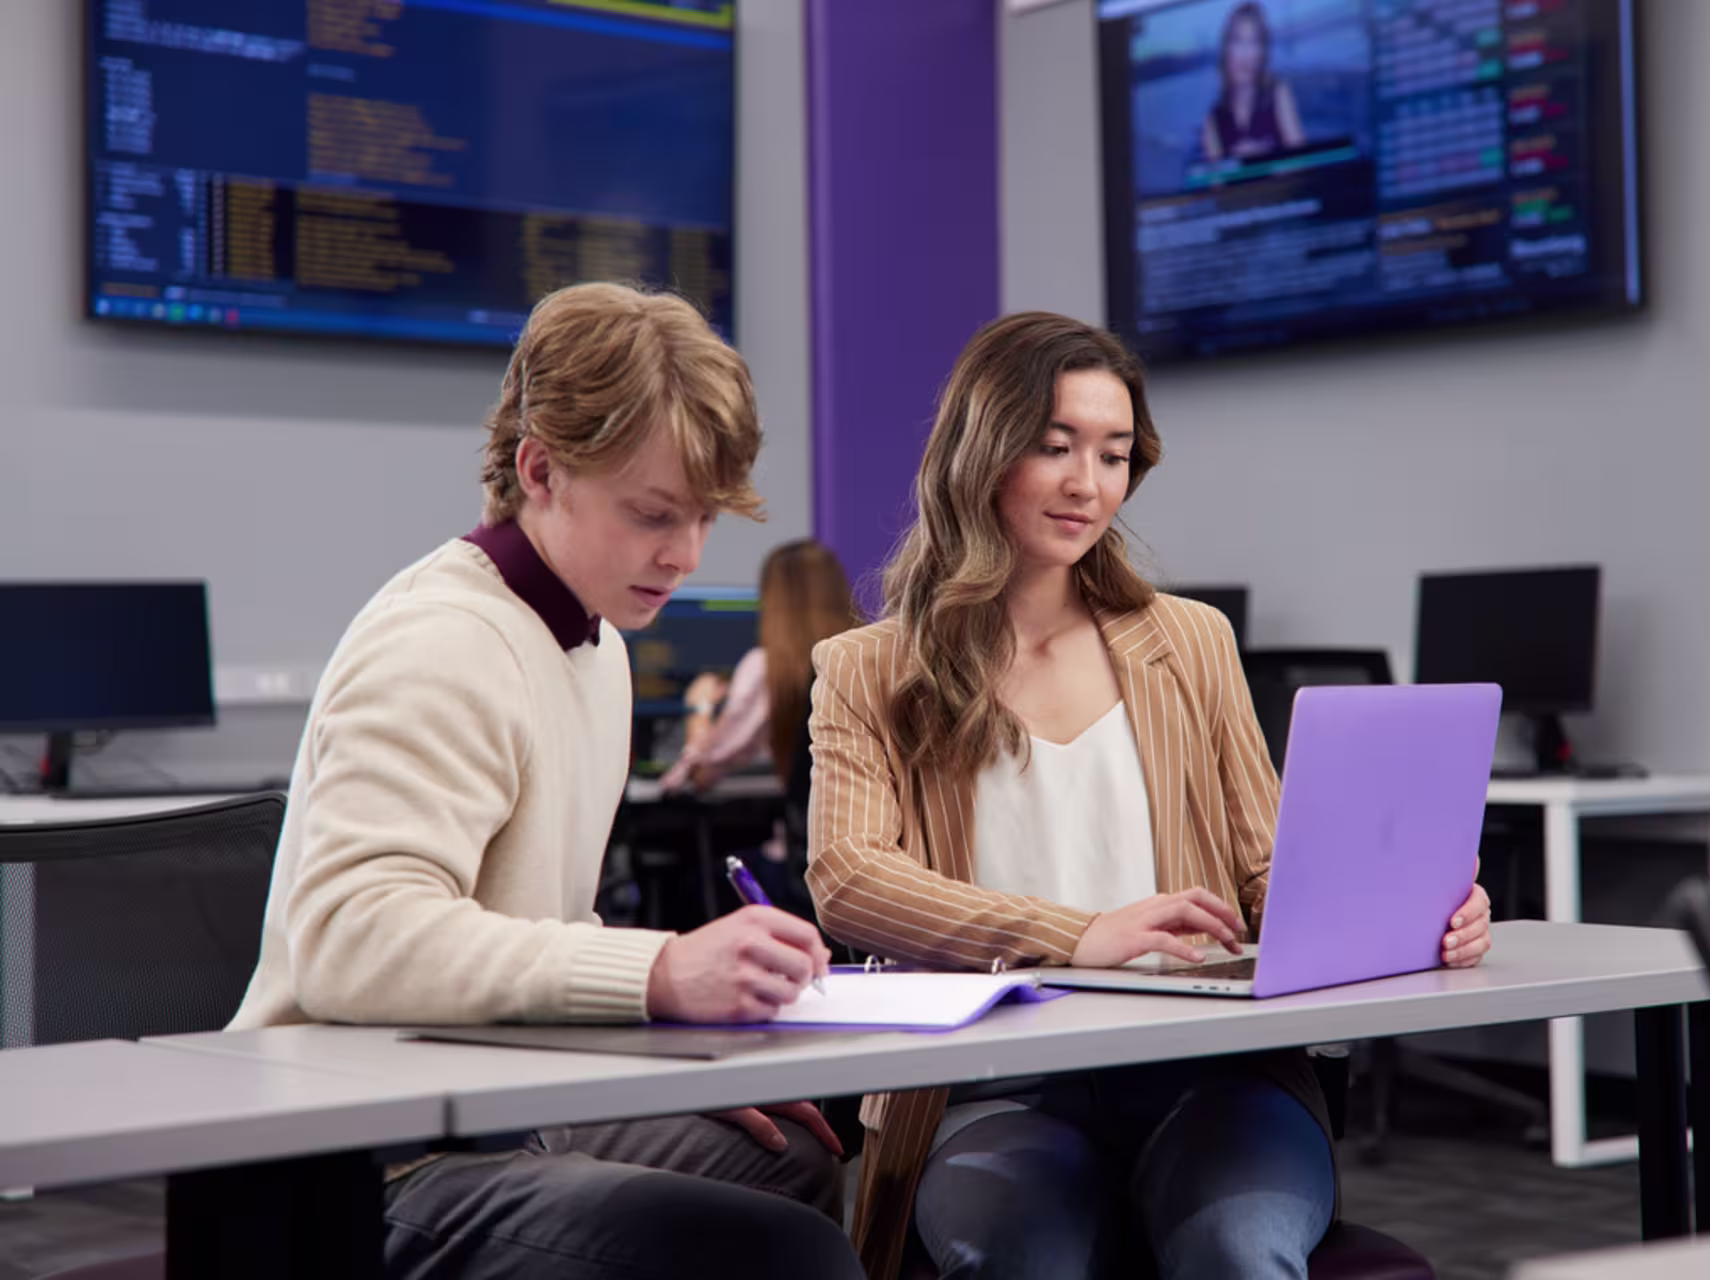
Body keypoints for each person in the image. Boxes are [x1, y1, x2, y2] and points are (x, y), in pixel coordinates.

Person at [804, 312, 1494, 1280]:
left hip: (1212, 1071)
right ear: (980, 450)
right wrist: (1075, 932)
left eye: (1115, 454)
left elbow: (1269, 866)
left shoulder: (1190, 641)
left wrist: (1423, 908)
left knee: (1236, 1244)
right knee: (1018, 1254)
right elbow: (848, 878)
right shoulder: (868, 669)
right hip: (998, 1087)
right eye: (1055, 447)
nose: (1089, 483)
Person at [228, 282, 863, 1280]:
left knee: (786, 1164)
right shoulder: (444, 639)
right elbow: (352, 939)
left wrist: (663, 1040)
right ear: (540, 469)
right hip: (372, 1151)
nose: (686, 554)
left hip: (505, 1098)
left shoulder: (594, 641)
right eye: (655, 513)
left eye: (703, 517)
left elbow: (524, 923)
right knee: (784, 1253)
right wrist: (656, 977)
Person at [663, 538, 861, 918]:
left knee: (684, 883)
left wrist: (699, 704)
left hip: (805, 874)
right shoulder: (868, 664)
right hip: (865, 872)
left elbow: (695, 775)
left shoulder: (768, 668)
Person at [1202, 2, 1308, 165]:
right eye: (1238, 41)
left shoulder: (1278, 92)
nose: (1245, 54)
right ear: (1226, 50)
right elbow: (1214, 184)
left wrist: (1264, 156)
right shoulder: (1213, 120)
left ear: (1261, 53)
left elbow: (1304, 161)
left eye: (1253, 43)